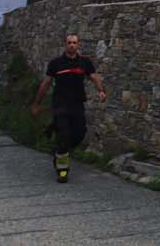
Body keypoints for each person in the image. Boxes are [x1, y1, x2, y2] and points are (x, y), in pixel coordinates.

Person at [30, 33, 107, 183]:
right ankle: (62, 169)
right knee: (64, 135)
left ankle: (60, 151)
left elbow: (93, 77)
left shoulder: (84, 62)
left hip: (77, 104)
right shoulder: (56, 63)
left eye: (74, 42)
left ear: (78, 45)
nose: (72, 45)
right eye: (69, 42)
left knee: (80, 133)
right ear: (65, 45)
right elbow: (45, 84)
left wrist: (101, 90)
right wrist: (36, 103)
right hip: (60, 105)